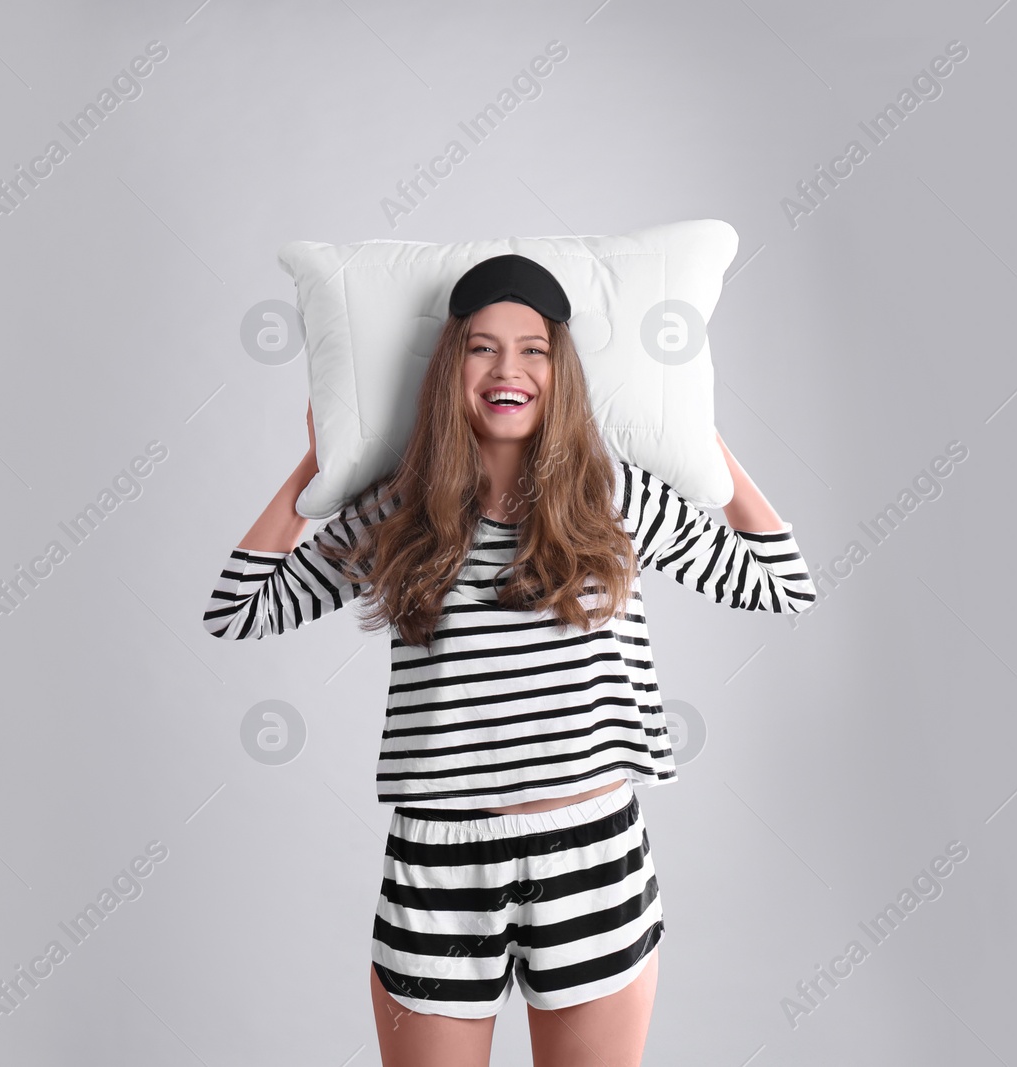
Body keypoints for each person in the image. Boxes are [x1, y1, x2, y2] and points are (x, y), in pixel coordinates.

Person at [204, 254, 816, 1067]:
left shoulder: (615, 497)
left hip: (590, 855)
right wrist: (317, 467)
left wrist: (705, 445)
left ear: (560, 371)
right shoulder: (399, 510)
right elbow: (238, 605)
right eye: (482, 347)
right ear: (451, 365)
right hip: (439, 864)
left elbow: (782, 584)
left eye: (534, 348)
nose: (509, 369)